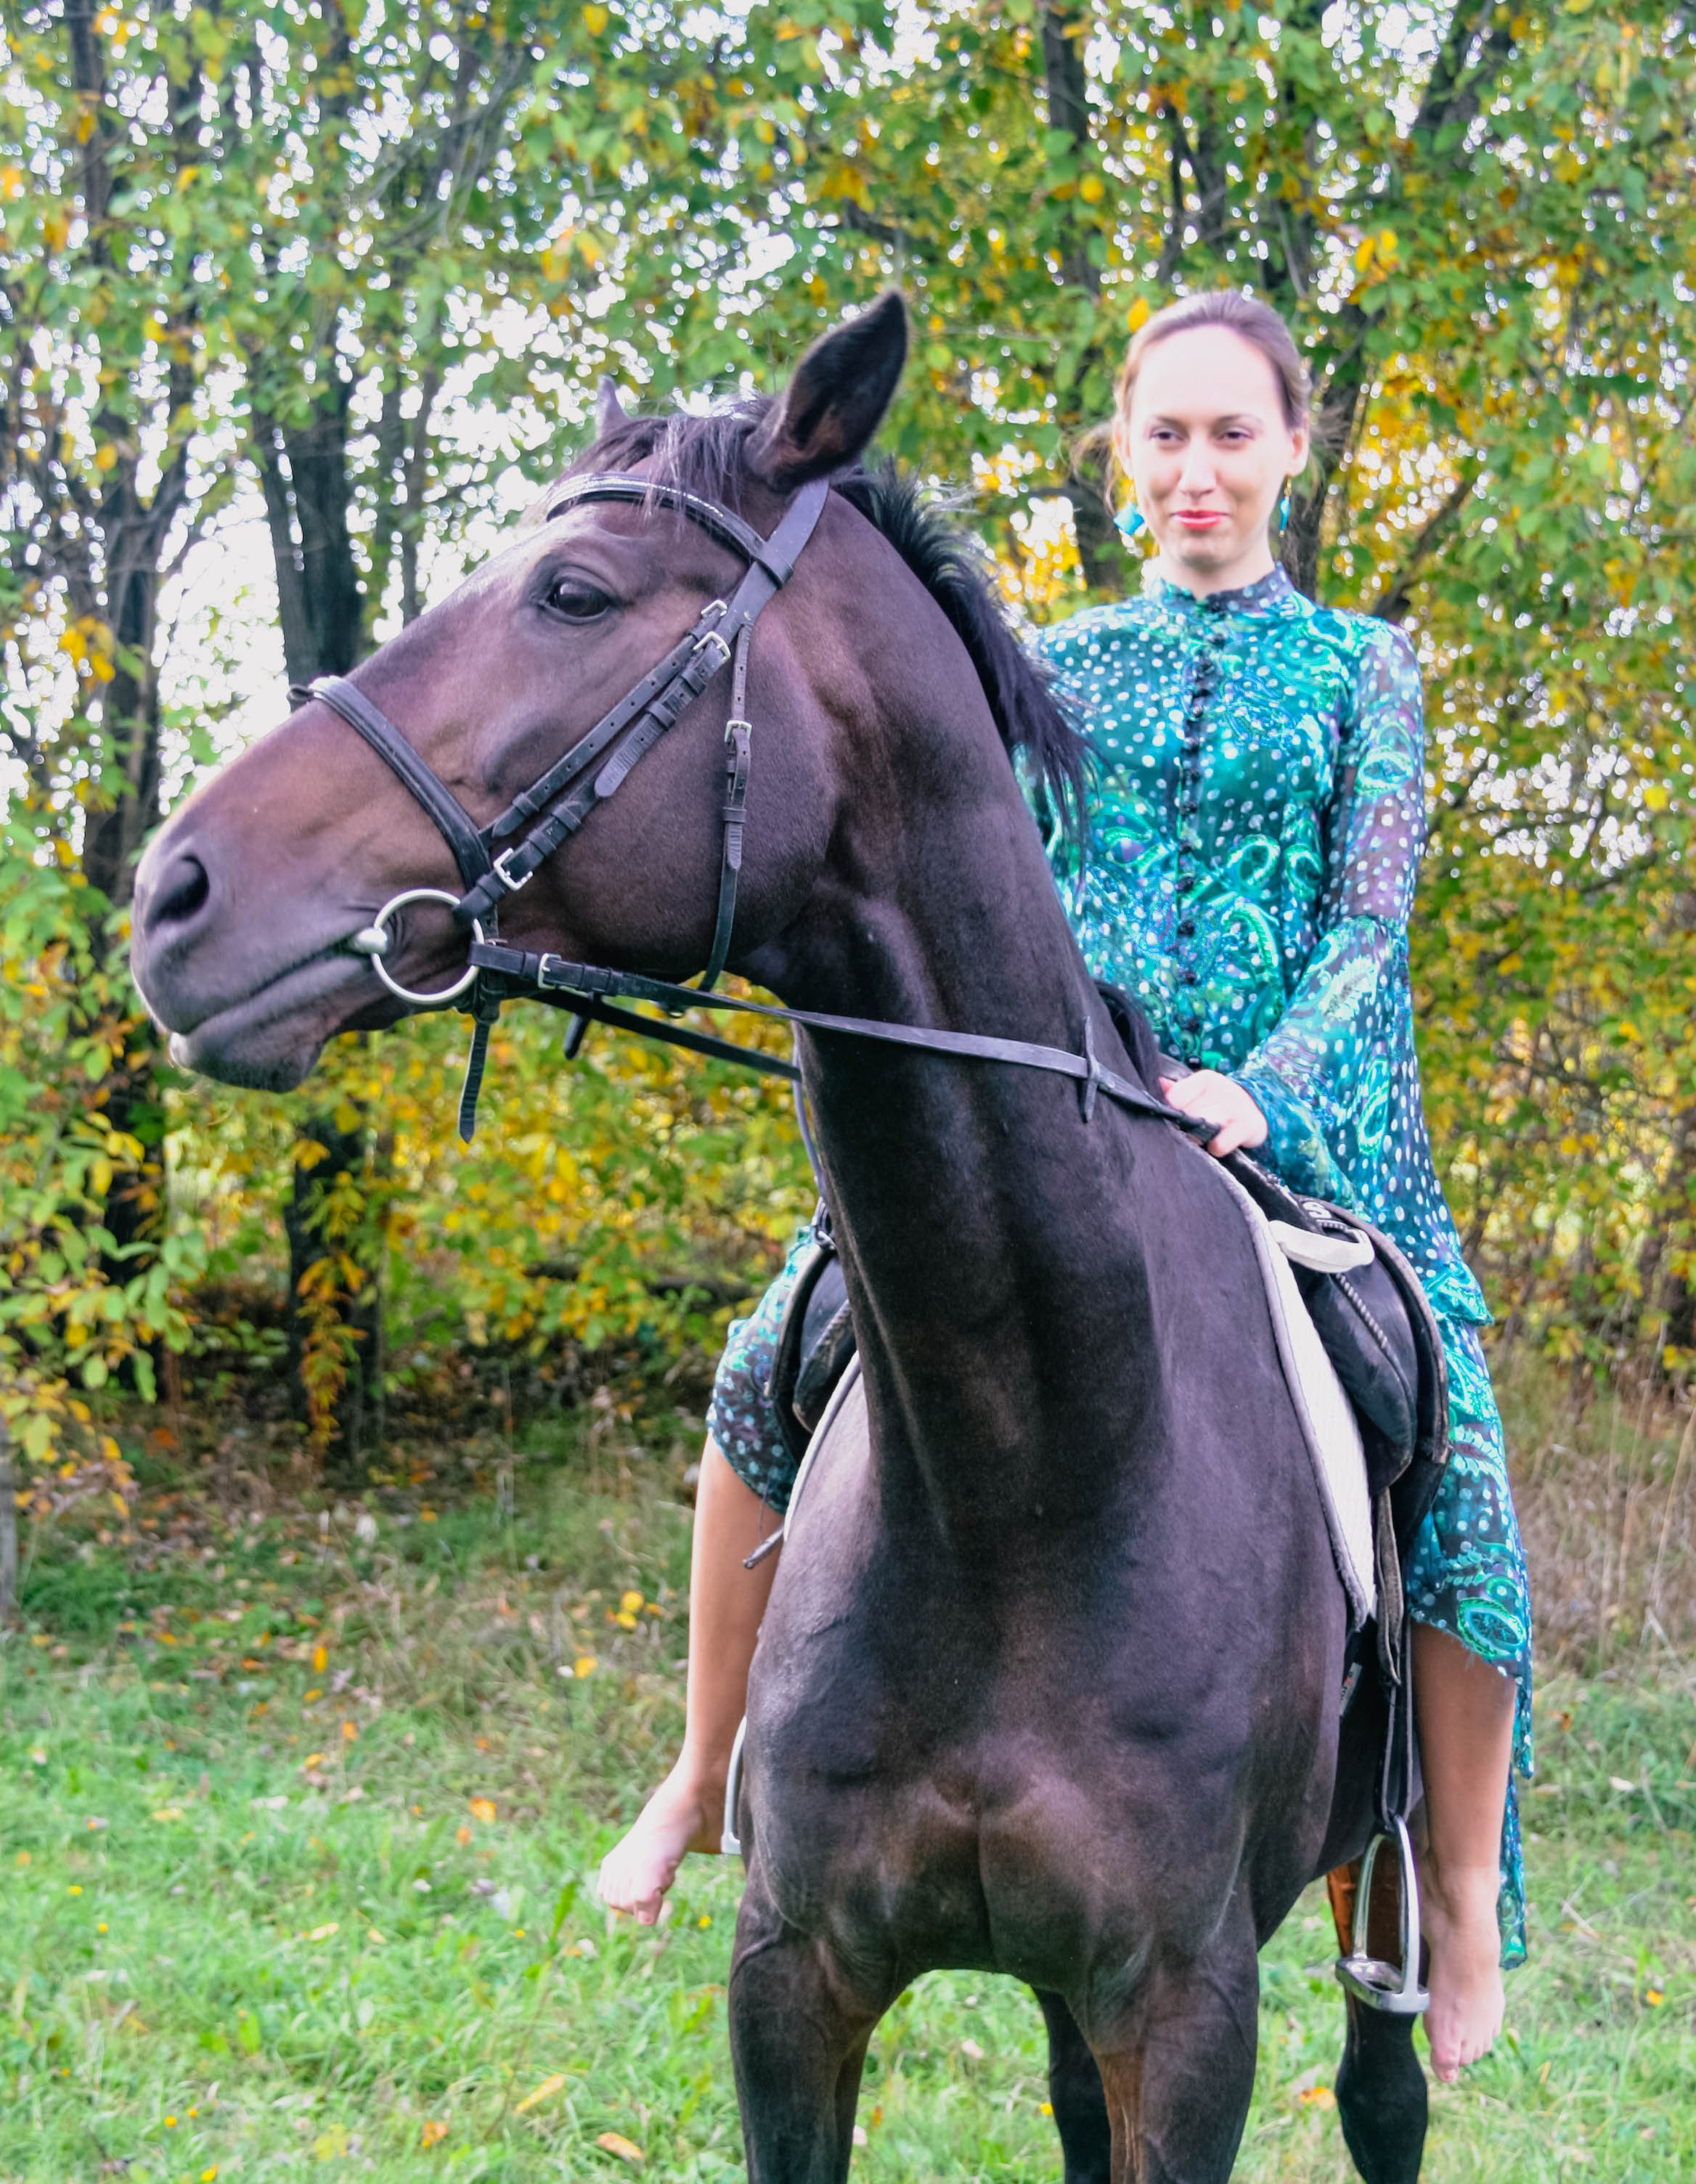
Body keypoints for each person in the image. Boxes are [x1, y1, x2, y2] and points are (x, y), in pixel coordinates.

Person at [596, 291, 1533, 2086]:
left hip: (1300, 1130)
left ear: (1291, 450)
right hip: (1055, 1116)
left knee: (1467, 1473)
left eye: (1231, 434)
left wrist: (1255, 1090)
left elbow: (1365, 927)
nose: (1196, 469)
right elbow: (965, 892)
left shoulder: (1362, 671)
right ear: (1119, 451)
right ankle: (708, 1767)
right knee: (762, 1360)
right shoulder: (1055, 666)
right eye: (1162, 435)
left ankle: (1462, 1885)